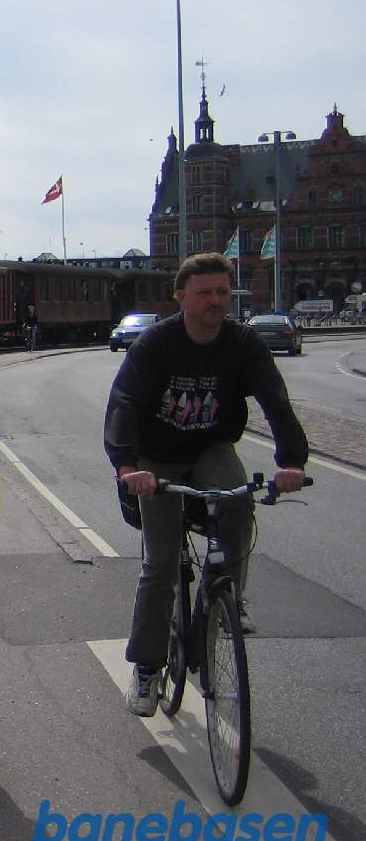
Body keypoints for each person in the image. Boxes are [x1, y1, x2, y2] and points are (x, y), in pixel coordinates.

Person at [104, 252, 308, 717]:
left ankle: (228, 598)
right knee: (159, 562)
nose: (216, 301)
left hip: (210, 449)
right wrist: (126, 466)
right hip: (156, 458)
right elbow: (125, 403)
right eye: (204, 293)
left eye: (221, 292)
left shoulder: (243, 344)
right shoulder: (156, 344)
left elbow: (275, 400)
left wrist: (291, 461)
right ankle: (148, 668)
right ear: (182, 297)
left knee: (238, 499)